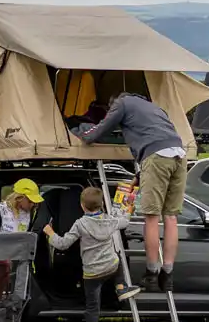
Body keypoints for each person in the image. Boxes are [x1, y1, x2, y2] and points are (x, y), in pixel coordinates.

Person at [78, 93, 188, 292]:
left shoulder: (121, 103)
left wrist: (82, 134)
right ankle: (168, 275)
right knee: (170, 217)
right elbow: (155, 135)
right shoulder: (153, 107)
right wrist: (140, 173)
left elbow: (98, 131)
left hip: (156, 156)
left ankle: (152, 274)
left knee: (152, 217)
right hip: (179, 154)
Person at [44, 185, 131, 322]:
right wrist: (126, 210)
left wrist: (50, 232)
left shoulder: (80, 224)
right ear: (102, 205)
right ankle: (121, 287)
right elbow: (125, 222)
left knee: (92, 308)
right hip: (110, 268)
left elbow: (62, 244)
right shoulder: (110, 220)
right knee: (117, 257)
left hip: (92, 273)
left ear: (82, 206)